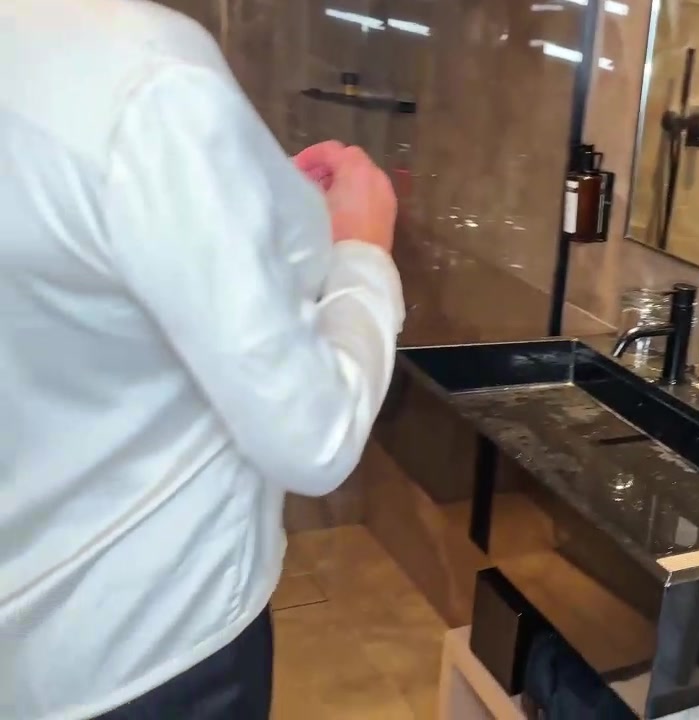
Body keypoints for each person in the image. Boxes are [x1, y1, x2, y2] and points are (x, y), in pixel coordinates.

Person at [0, 1, 406, 718]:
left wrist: (233, 204)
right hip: (151, 651)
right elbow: (316, 438)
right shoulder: (148, 72)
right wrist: (363, 253)